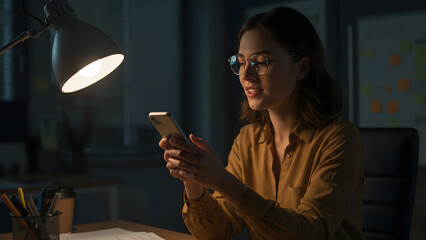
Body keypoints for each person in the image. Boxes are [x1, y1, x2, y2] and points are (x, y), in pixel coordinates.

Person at [159, 7, 364, 240]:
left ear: (302, 67)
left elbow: (309, 232)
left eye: (261, 62)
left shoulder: (340, 139)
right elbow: (216, 232)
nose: (246, 75)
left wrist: (222, 180)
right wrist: (193, 181)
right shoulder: (248, 140)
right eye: (242, 61)